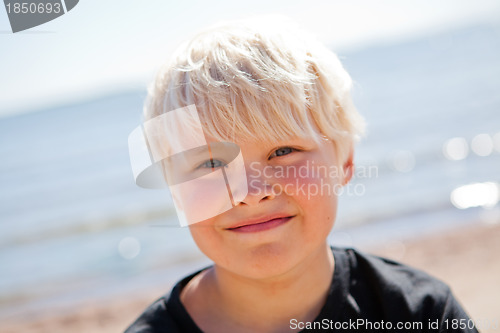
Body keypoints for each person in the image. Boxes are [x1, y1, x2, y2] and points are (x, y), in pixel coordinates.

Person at [125, 16, 477, 333]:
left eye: (282, 151)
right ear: (175, 192)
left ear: (344, 163)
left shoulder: (419, 313)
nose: (251, 192)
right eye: (211, 164)